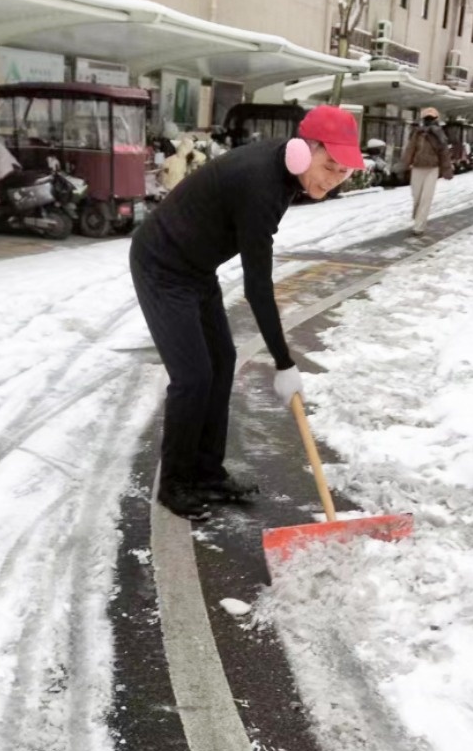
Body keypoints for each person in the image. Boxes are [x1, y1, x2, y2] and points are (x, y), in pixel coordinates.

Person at [130, 104, 364, 520]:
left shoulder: (286, 172)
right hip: (162, 265)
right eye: (330, 167)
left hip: (196, 269)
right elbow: (258, 286)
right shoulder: (261, 184)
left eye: (344, 173)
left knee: (222, 361)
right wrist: (284, 361)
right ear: (303, 150)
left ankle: (207, 472)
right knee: (193, 377)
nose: (334, 181)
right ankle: (176, 484)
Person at [402, 106, 454, 236]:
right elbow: (410, 149)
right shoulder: (417, 133)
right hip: (417, 167)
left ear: (436, 119)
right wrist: (404, 165)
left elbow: (444, 153)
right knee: (416, 196)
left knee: (426, 198)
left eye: (432, 118)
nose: (429, 120)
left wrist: (447, 169)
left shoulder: (440, 134)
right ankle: (418, 216)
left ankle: (419, 226)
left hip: (432, 168)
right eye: (427, 118)